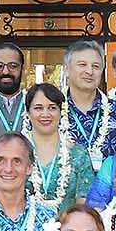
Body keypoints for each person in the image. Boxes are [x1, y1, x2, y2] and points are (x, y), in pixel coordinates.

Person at [15, 82, 92, 213]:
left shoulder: (78, 154)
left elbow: (83, 202)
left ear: (61, 112)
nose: (45, 114)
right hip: (23, 223)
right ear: (27, 112)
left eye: (52, 108)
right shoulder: (16, 152)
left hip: (69, 224)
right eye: (38, 108)